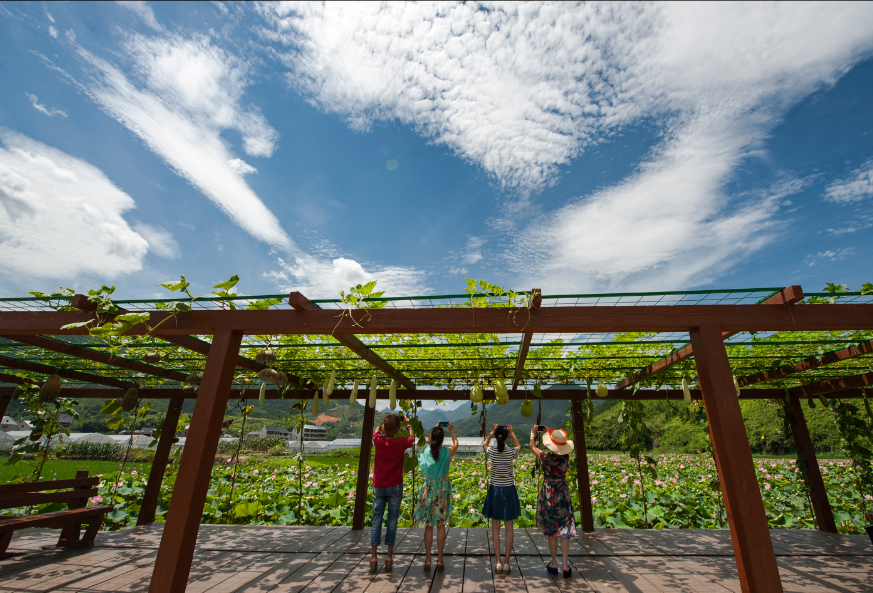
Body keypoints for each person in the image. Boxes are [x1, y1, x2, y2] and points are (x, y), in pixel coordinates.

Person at [530, 425, 576, 578]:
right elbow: (560, 446)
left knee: (552, 529)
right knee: (564, 530)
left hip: (550, 492)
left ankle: (554, 563)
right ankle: (565, 565)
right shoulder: (565, 458)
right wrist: (547, 431)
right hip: (563, 492)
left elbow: (532, 447)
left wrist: (533, 433)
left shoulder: (546, 457)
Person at [370, 414, 414, 572]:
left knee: (377, 520)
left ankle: (374, 557)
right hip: (395, 486)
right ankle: (389, 556)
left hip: (379, 486)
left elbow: (376, 430)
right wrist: (408, 425)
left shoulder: (378, 440)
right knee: (392, 521)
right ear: (397, 430)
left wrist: (382, 425)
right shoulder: (401, 442)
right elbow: (412, 438)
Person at [413, 422, 458, 571]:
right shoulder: (447, 452)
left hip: (429, 489)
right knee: (440, 525)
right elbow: (456, 444)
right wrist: (451, 430)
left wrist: (432, 432)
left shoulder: (426, 450)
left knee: (428, 525)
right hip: (442, 490)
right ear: (442, 440)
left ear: (432, 438)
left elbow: (426, 444)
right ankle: (439, 559)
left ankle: (427, 559)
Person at [482, 423, 521, 575]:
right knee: (509, 528)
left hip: (495, 490)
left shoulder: (491, 451)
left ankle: (498, 562)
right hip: (509, 490)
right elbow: (519, 446)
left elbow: (484, 444)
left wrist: (491, 432)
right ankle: (506, 563)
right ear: (505, 437)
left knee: (495, 528)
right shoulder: (510, 452)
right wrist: (512, 433)